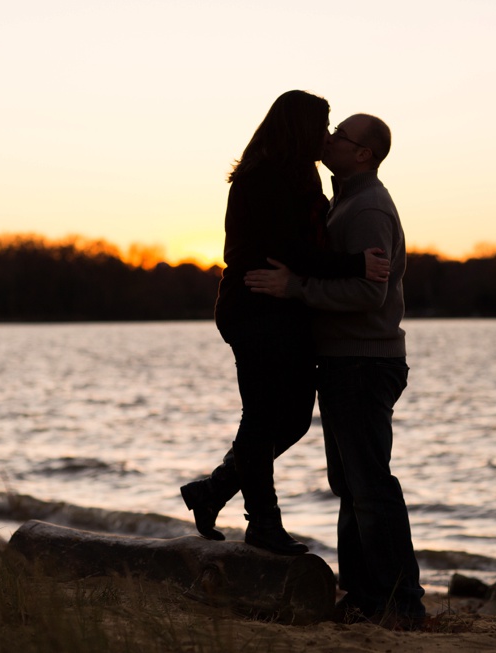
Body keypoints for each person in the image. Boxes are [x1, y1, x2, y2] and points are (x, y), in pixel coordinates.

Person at [180, 92, 390, 556]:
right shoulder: (265, 178)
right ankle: (263, 524)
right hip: (254, 309)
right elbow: (291, 251)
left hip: (284, 313)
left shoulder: (300, 174)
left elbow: (300, 251)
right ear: (299, 128)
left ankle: (212, 492)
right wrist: (355, 264)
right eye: (322, 126)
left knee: (293, 418)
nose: (326, 136)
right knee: (260, 417)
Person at [244, 113, 426, 625]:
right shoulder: (344, 197)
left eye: (340, 136)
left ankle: (401, 604)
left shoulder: (367, 207)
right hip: (349, 359)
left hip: (365, 361)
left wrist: (295, 288)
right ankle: (367, 596)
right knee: (351, 485)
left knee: (370, 486)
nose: (327, 138)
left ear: (363, 153)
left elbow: (371, 293)